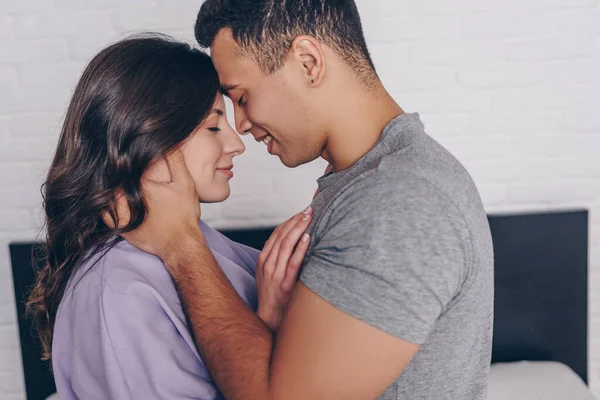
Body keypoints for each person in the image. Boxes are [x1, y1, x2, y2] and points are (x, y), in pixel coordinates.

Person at [122, 1, 495, 399]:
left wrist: (181, 245)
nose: (242, 126)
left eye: (242, 97)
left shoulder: (399, 201)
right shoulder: (366, 182)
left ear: (307, 62)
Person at [25, 34, 303, 400]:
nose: (236, 144)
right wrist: (269, 325)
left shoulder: (206, 245)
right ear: (148, 139)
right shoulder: (119, 289)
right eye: (213, 127)